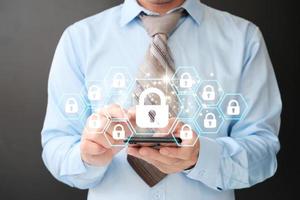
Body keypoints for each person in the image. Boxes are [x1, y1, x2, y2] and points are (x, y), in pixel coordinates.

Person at [41, 0, 282, 199]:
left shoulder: (244, 39)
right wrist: (86, 158)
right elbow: (56, 147)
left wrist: (200, 157)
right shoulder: (79, 40)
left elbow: (264, 154)